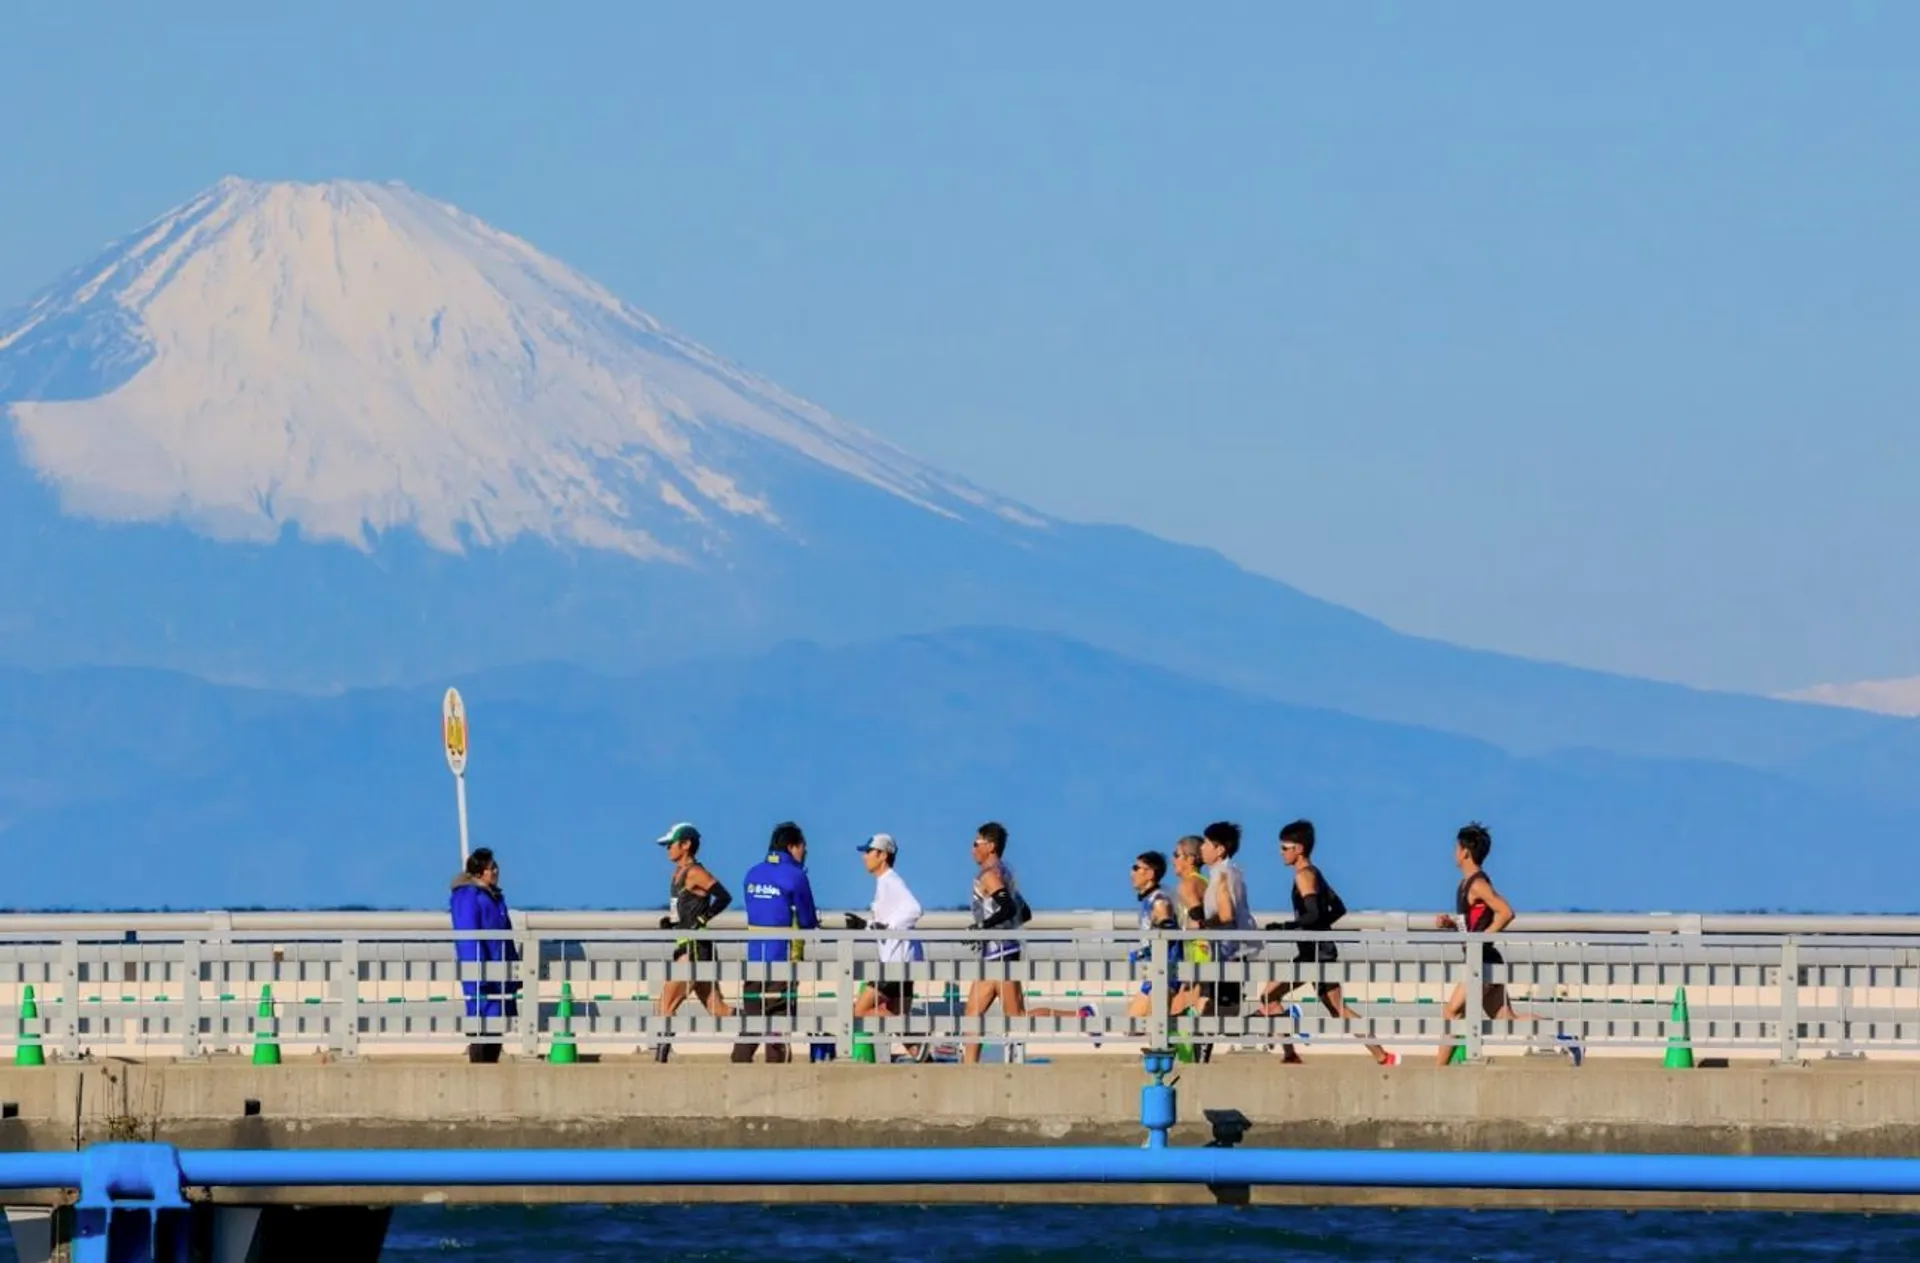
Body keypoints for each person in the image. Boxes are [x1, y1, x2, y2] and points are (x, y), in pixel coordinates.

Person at [1253, 820, 1399, 1065]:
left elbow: (1312, 914)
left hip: (1316, 954)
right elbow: (1338, 908)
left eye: (1284, 847)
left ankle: (1383, 1056)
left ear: (1298, 849)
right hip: (1316, 950)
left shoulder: (1303, 876)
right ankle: (1291, 1055)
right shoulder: (1315, 873)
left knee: (1333, 1008)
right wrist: (1316, 928)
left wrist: (1287, 927)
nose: (1280, 852)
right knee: (1281, 998)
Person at [961, 821, 1092, 1064]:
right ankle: (967, 1070)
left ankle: (1081, 1016)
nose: (971, 850)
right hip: (996, 951)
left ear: (990, 846)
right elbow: (1025, 911)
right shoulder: (1004, 872)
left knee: (1016, 1017)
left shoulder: (990, 874)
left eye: (975, 844)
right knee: (972, 1014)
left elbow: (1009, 907)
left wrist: (982, 927)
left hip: (1000, 952)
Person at [1435, 821, 1534, 1064]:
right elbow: (1471, 924)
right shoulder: (1464, 885)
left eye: (1456, 848)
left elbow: (1506, 912)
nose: (1454, 853)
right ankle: (1565, 1036)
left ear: (1465, 851)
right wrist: (1451, 924)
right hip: (1484, 960)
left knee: (1451, 1011)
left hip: (1483, 962)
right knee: (1507, 1019)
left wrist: (1482, 940)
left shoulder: (1478, 884)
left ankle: (1438, 1071)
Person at [734, 821, 819, 1063]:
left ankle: (737, 1071)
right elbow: (808, 919)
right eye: (804, 848)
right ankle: (777, 1074)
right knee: (778, 1025)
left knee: (751, 1023)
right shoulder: (795, 876)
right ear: (793, 847)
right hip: (783, 961)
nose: (804, 854)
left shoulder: (752, 873)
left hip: (754, 959)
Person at [652, 822, 734, 1062]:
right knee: (718, 1010)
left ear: (686, 845)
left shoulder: (695, 872)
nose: (667, 849)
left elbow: (724, 897)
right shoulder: (677, 873)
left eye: (671, 844)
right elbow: (683, 908)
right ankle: (759, 1025)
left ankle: (660, 1060)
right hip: (685, 944)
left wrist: (702, 918)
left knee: (665, 1005)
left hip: (695, 948)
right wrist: (671, 922)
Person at [846, 833, 925, 1061]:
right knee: (898, 1018)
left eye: (868, 852)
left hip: (895, 962)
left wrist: (885, 927)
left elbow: (914, 909)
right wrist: (865, 927)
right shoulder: (885, 883)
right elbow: (884, 925)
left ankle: (918, 1043)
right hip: (901, 959)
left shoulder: (890, 881)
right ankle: (923, 1054)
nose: (864, 857)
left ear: (882, 856)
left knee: (858, 1012)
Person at [1189, 821, 1259, 1060]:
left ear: (1220, 850)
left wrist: (1204, 924)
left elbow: (1227, 914)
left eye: (1207, 843)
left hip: (1228, 954)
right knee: (1215, 1009)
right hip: (1228, 952)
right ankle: (1200, 1061)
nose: (1202, 848)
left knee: (1213, 1009)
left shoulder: (1221, 875)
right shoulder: (1230, 872)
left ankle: (1277, 1016)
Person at [449, 847, 519, 1064]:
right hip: (483, 975)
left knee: (496, 1030)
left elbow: (506, 937)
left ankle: (489, 1072)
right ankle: (479, 1077)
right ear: (480, 873)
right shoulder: (468, 896)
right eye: (492, 868)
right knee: (482, 1028)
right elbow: (468, 937)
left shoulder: (494, 896)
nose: (496, 871)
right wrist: (476, 972)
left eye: (496, 867)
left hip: (499, 974)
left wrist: (514, 970)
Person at [1125, 851, 1204, 1028]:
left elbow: (1166, 924)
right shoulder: (1148, 899)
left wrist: (1162, 922)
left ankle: (1191, 1022)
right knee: (1132, 1025)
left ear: (1151, 873)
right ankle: (1186, 1018)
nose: (1132, 873)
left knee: (1155, 1026)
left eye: (1136, 868)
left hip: (1165, 970)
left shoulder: (1159, 899)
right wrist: (1141, 953)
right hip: (1154, 970)